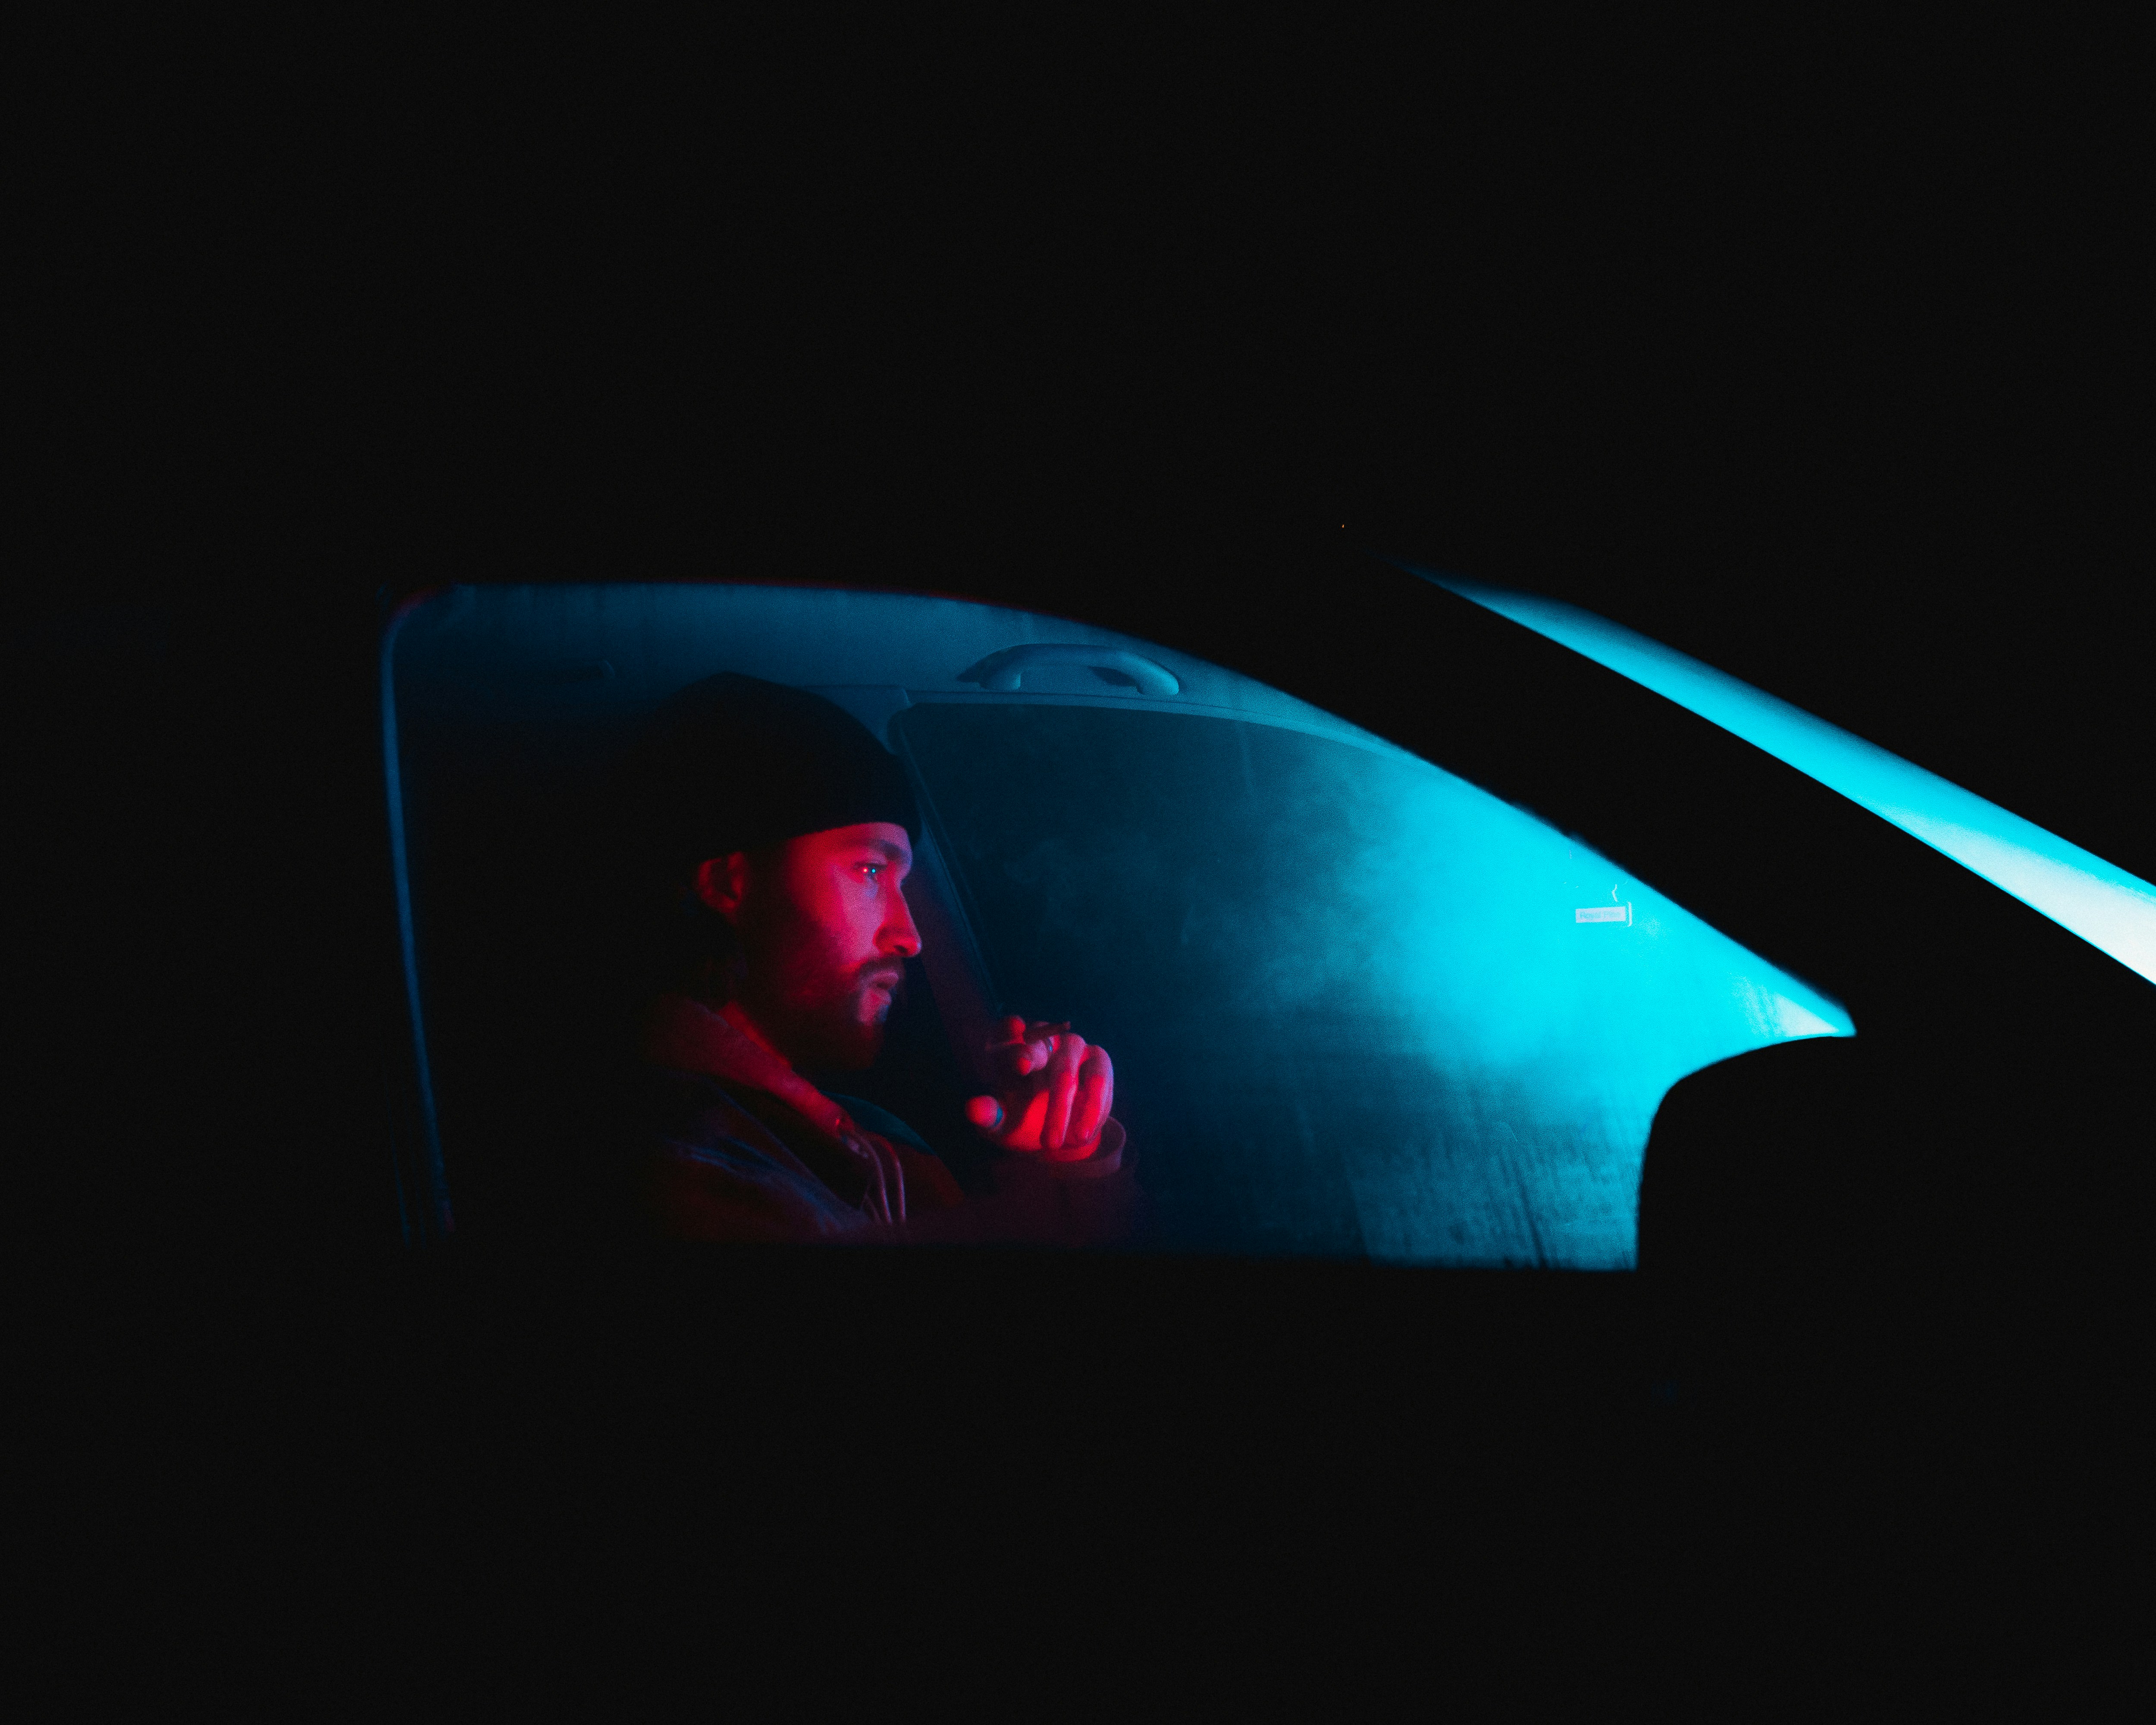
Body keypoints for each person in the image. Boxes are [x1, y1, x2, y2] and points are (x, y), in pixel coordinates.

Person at [610, 671, 1135, 1245]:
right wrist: (1056, 1204)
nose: (910, 936)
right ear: (730, 884)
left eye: (902, 880)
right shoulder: (682, 1160)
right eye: (869, 871)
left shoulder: (867, 1139)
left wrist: (1067, 1146)